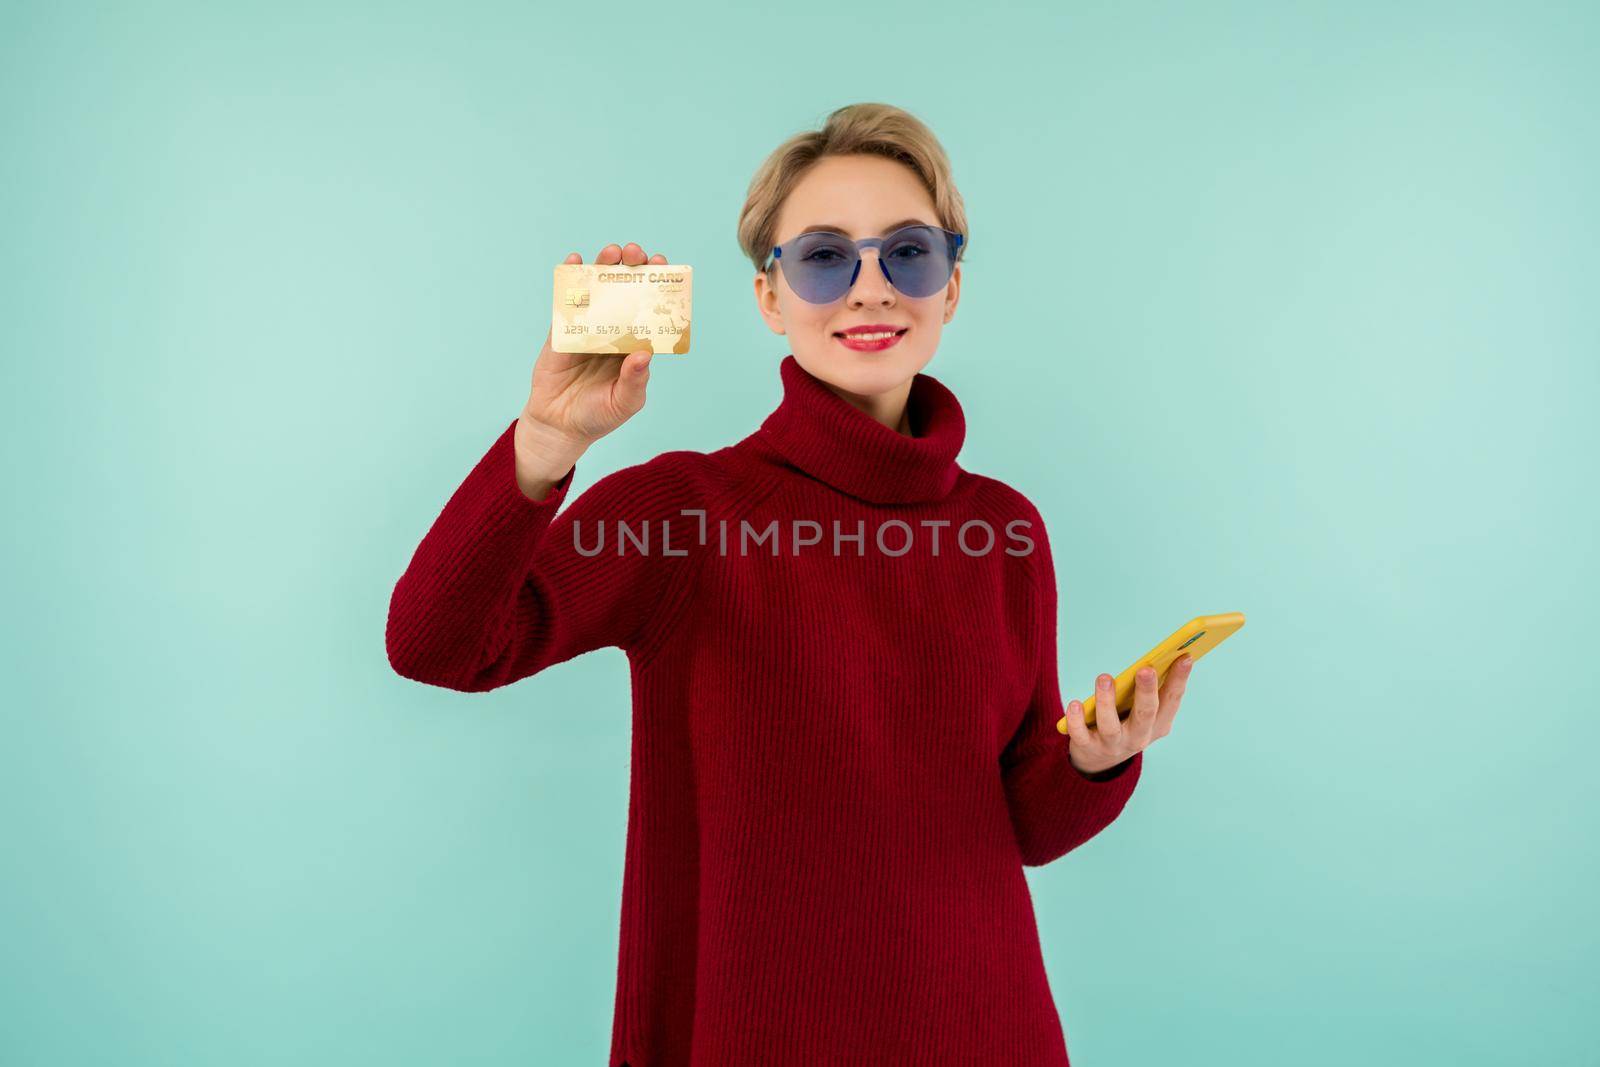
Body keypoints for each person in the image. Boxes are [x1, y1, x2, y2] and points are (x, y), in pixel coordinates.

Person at [387, 101, 1196, 1067]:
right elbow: (438, 648)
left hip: (990, 1029)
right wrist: (547, 442)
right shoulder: (684, 509)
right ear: (770, 298)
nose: (870, 289)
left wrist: (1098, 759)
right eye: (823, 257)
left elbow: (1016, 823)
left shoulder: (1005, 530)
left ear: (952, 288)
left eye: (909, 254)